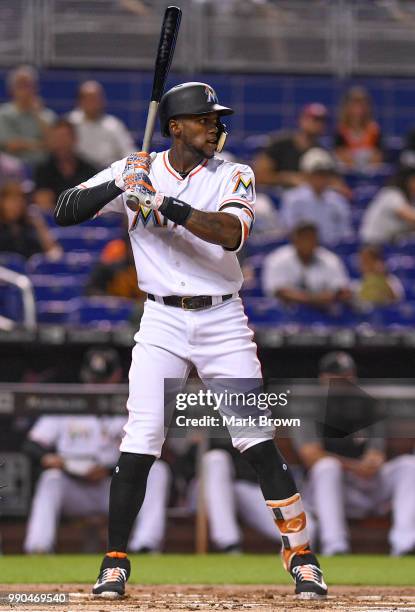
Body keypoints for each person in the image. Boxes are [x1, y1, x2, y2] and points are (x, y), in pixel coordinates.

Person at [54, 81, 327, 599]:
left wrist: (166, 205)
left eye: (215, 120)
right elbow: (64, 209)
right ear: (175, 126)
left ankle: (301, 554)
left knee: (257, 439)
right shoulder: (135, 168)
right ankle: (114, 561)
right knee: (141, 438)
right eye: (205, 120)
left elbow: (232, 234)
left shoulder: (234, 173)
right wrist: (120, 185)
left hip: (222, 319)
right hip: (160, 321)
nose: (215, 127)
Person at [23, 348, 171, 554]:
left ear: (118, 375)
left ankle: (145, 545)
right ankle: (38, 546)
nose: (98, 384)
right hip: (74, 484)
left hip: (114, 484)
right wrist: (50, 458)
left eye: (104, 379)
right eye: (94, 378)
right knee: (51, 479)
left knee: (157, 471)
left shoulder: (133, 404)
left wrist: (109, 470)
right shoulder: (69, 403)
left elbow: (155, 450)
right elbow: (31, 445)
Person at [292, 351, 415, 556]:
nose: (344, 381)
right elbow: (311, 456)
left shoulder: (367, 406)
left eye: (348, 376)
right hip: (328, 489)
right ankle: (335, 545)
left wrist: (373, 460)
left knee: (408, 466)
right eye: (337, 376)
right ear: (323, 378)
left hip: (365, 485)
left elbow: (377, 452)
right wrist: (354, 466)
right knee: (327, 467)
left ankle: (404, 543)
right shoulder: (309, 407)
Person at [262, 222, 351, 308]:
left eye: (311, 237)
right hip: (286, 316)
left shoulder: (330, 259)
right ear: (295, 240)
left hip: (325, 315)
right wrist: (313, 300)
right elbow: (279, 291)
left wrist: (332, 295)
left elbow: (342, 290)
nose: (308, 241)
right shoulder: (277, 259)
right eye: (304, 237)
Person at [280, 148, 352, 246]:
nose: (320, 179)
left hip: (332, 251)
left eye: (324, 174)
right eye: (316, 174)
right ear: (306, 174)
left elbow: (345, 234)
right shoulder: (292, 199)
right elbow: (289, 230)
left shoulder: (338, 201)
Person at [253, 103, 328, 188]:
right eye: (314, 119)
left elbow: (333, 181)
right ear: (302, 119)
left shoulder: (322, 152)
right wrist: (286, 178)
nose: (318, 124)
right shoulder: (280, 144)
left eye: (322, 121)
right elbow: (258, 176)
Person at [67, 81, 135, 169]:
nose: (93, 103)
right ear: (79, 101)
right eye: (88, 98)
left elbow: (128, 152)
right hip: (77, 174)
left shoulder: (113, 125)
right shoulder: (70, 122)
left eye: (96, 98)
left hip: (107, 173)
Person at [33, 118, 97, 212]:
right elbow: (43, 204)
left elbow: (95, 202)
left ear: (75, 139)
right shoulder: (43, 170)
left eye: (64, 137)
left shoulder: (89, 169)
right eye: (56, 138)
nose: (61, 142)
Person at [0, 65, 56, 167]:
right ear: (11, 89)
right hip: (11, 171)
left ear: (36, 88)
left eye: (28, 85)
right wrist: (42, 145)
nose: (25, 90)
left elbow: (53, 145)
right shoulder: (3, 113)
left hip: (44, 168)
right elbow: (11, 145)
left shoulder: (47, 115)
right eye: (20, 85)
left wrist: (37, 114)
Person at [0, 181, 60, 259]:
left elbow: (54, 253)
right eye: (12, 200)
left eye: (20, 200)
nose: (17, 205)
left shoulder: (30, 226)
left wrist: (40, 227)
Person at [360, 165, 415, 244]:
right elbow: (410, 217)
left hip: (391, 242)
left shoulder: (411, 198)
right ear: (406, 181)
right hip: (372, 244)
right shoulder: (391, 193)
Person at [334, 86, 383, 171]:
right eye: (355, 103)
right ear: (347, 106)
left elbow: (378, 157)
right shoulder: (340, 131)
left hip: (370, 173)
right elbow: (340, 155)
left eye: (362, 103)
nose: (359, 108)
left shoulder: (375, 130)